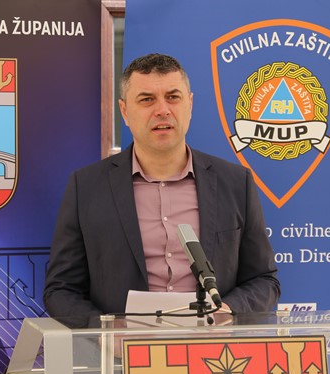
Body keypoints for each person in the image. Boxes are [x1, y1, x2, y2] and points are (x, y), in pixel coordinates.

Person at [43, 53, 279, 317]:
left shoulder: (235, 183)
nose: (162, 110)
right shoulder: (86, 187)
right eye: (147, 99)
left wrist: (228, 310)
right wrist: (106, 330)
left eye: (173, 97)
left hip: (212, 341)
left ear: (190, 104)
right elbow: (61, 290)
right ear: (124, 111)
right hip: (123, 344)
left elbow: (264, 280)